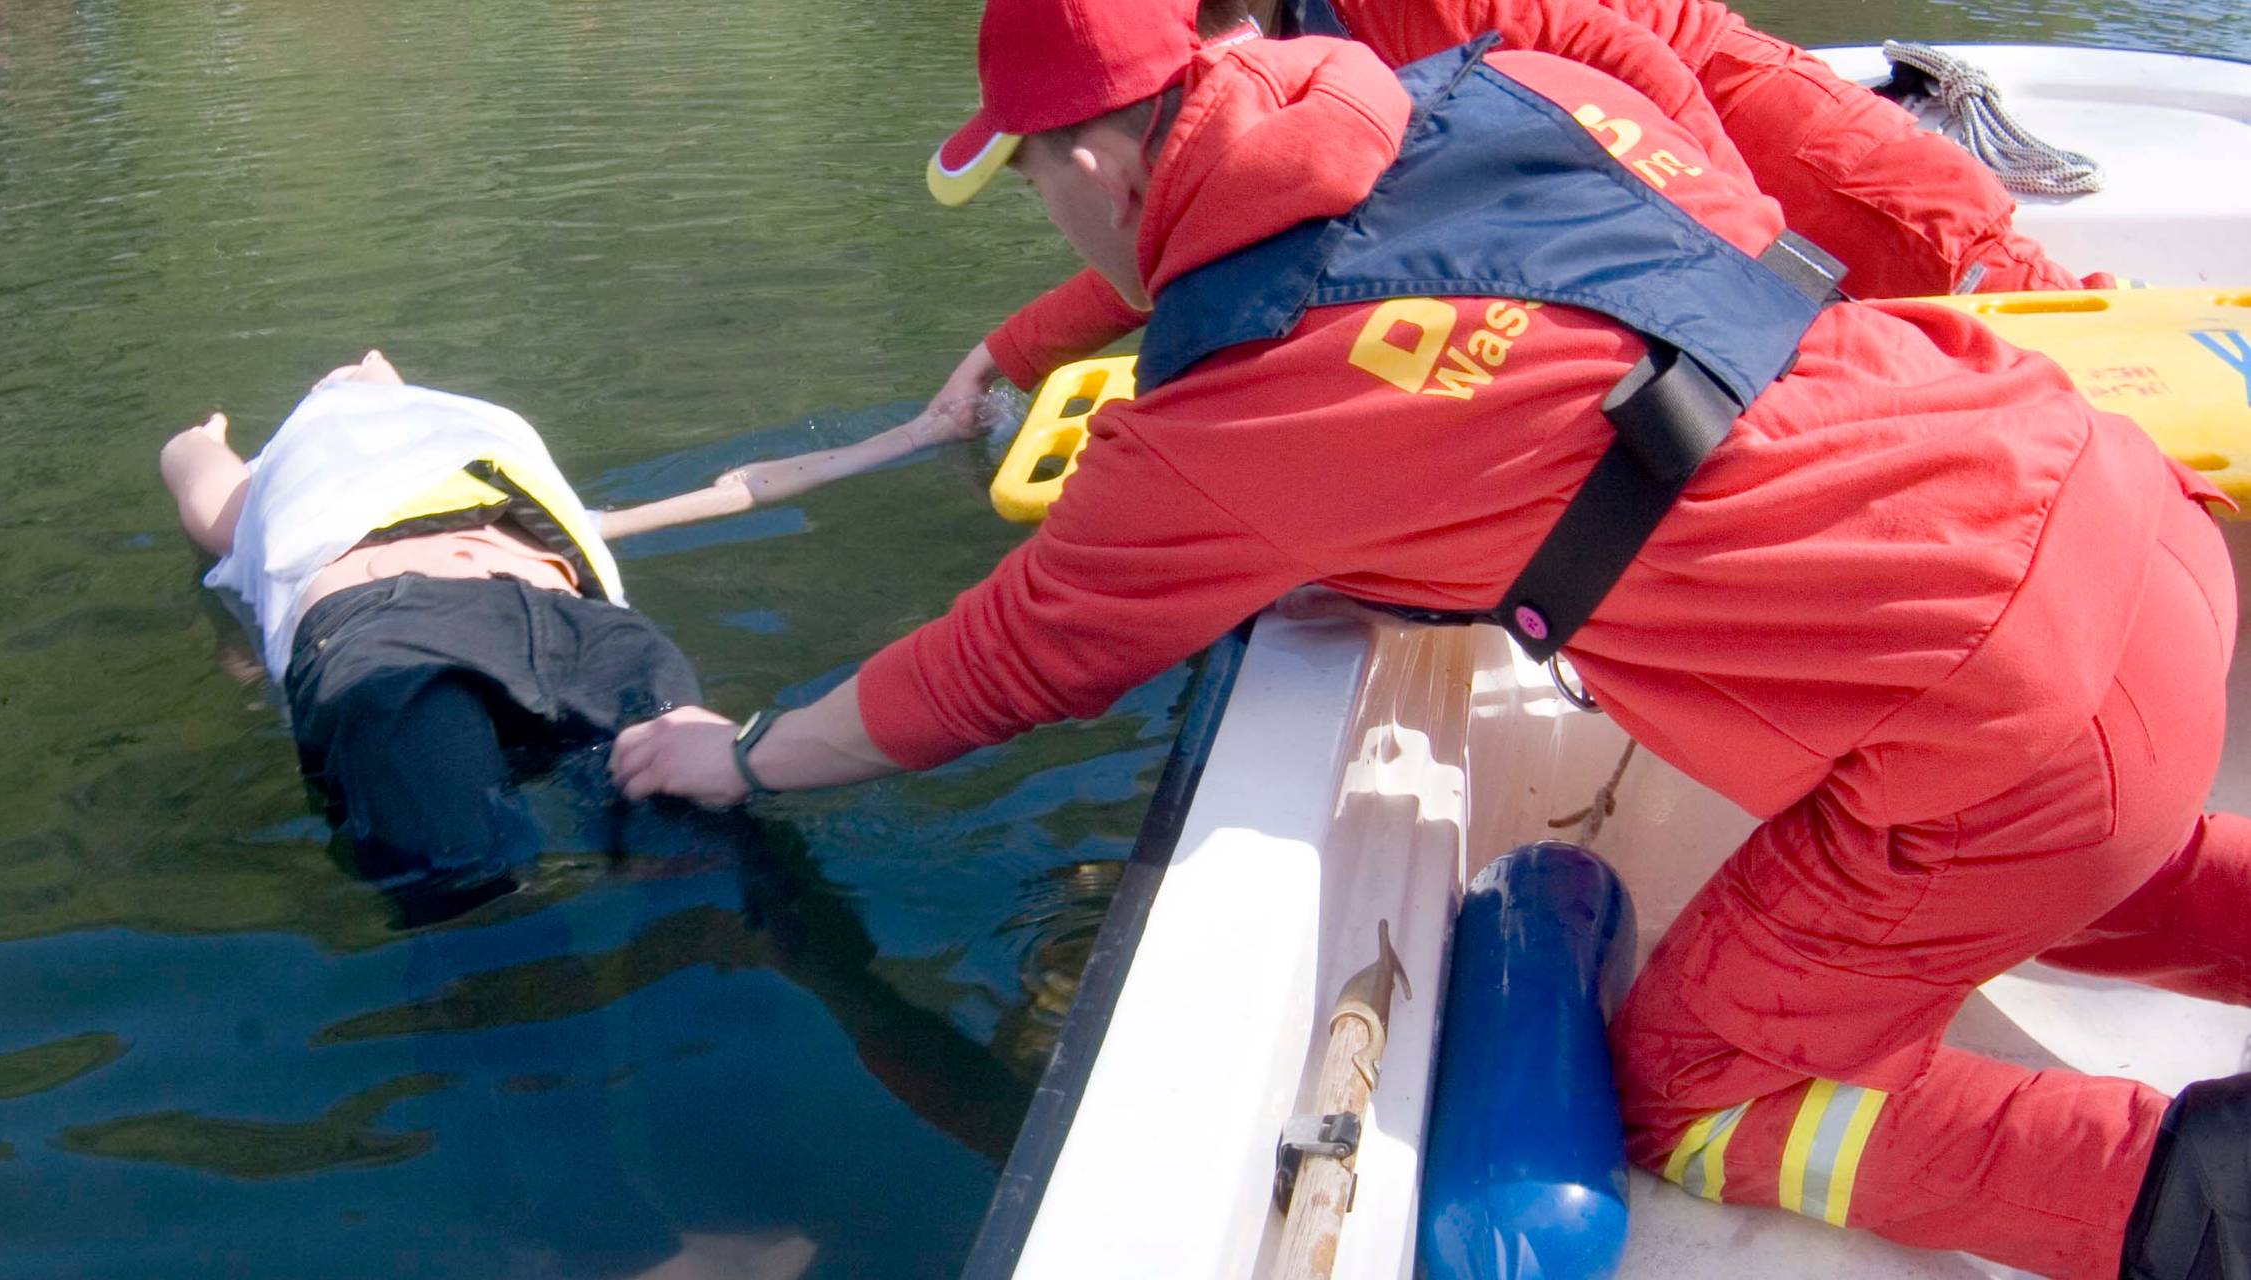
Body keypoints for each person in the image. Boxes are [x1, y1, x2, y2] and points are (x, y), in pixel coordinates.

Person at [609, 2, 2249, 1276]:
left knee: (1691, 1091)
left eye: (1032, 185)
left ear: (1094, 168)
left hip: (2000, 729)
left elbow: (1001, 662)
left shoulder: (1226, 426)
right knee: (2082, 862)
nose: (1052, 223)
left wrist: (739, 752)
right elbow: (1657, 242)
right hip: (2122, 519)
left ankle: (2192, 1197)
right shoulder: (1511, 86)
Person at [919, 0, 2092, 420]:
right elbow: (1200, 224)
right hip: (1693, 192)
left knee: (2076, 367)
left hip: (1814, 173)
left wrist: (1746, 277)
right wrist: (1005, 353)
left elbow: (1631, 66)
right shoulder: (1250, 63)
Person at [160, 349, 983, 927]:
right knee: (465, 886)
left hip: (574, 626)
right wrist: (199, 445)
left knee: (703, 842)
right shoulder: (279, 478)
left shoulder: (462, 438)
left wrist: (918, 434)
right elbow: (200, 484)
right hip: (388, 632)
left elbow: (735, 491)